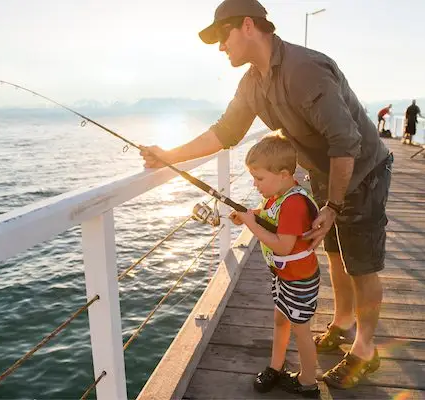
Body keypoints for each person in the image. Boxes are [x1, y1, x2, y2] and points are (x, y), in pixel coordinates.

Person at [139, 0, 392, 390]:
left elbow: (346, 141)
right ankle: (343, 321)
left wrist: (333, 205)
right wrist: (169, 155)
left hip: (361, 167)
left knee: (362, 261)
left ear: (247, 26)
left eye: (222, 37)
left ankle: (365, 349)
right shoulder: (251, 84)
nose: (221, 48)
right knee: (335, 251)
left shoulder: (304, 69)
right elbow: (224, 132)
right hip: (323, 168)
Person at [228, 133, 321, 397]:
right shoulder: (277, 196)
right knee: (281, 320)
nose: (255, 184)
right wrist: (250, 215)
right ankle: (275, 367)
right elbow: (268, 215)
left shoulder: (293, 204)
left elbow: (283, 246)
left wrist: (250, 225)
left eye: (259, 178)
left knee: (302, 331)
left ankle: (308, 382)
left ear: (282, 174)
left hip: (299, 279)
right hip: (284, 276)